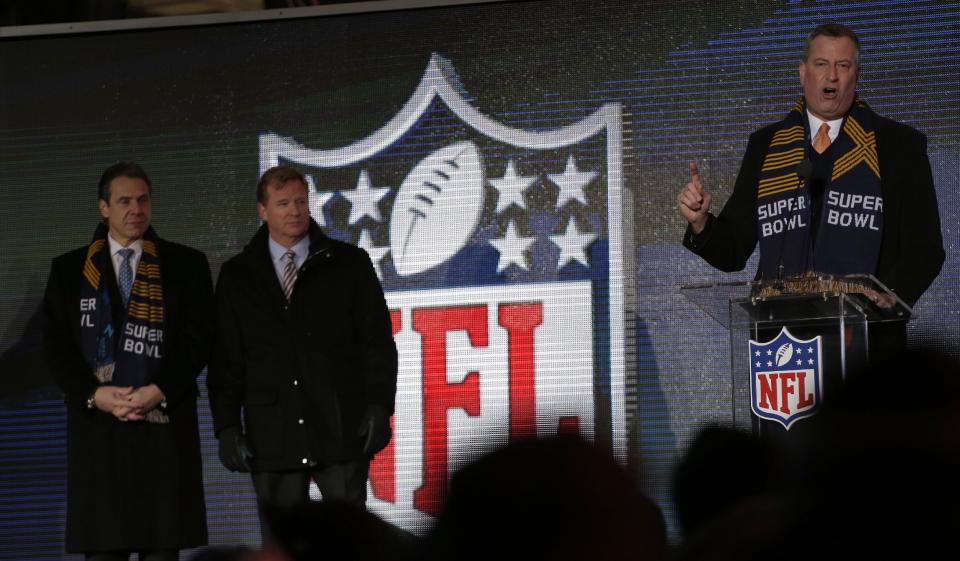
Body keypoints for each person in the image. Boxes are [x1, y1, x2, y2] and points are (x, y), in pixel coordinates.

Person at [678, 23, 944, 310]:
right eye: (821, 64)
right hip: (782, 331)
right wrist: (701, 222)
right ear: (803, 73)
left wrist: (893, 295)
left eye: (843, 65)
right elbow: (733, 251)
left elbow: (925, 250)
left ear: (857, 76)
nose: (832, 76)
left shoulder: (899, 145)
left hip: (868, 329)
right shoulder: (766, 145)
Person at [207, 165, 397, 541]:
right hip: (272, 435)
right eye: (282, 203)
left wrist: (379, 405)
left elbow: (376, 344)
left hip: (341, 427)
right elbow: (226, 358)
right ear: (263, 210)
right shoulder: (238, 275)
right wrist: (227, 427)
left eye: (300, 201)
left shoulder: (349, 264)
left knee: (350, 543)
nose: (294, 211)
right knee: (282, 546)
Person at [41, 162, 213, 560]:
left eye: (142, 199)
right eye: (124, 201)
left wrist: (160, 389)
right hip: (99, 435)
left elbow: (198, 340)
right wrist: (93, 393)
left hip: (163, 435)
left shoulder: (186, 265)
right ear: (103, 208)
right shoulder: (69, 270)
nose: (135, 209)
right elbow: (57, 346)